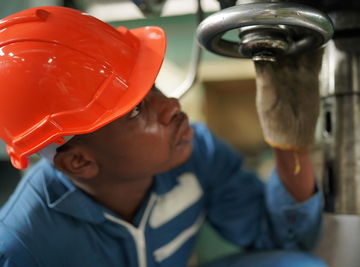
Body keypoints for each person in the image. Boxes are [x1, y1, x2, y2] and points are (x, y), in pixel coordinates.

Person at [0, 6, 326, 267]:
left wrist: (288, 138)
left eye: (152, 86)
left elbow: (282, 239)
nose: (172, 105)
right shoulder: (24, 247)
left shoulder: (198, 152)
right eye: (134, 110)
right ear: (80, 161)